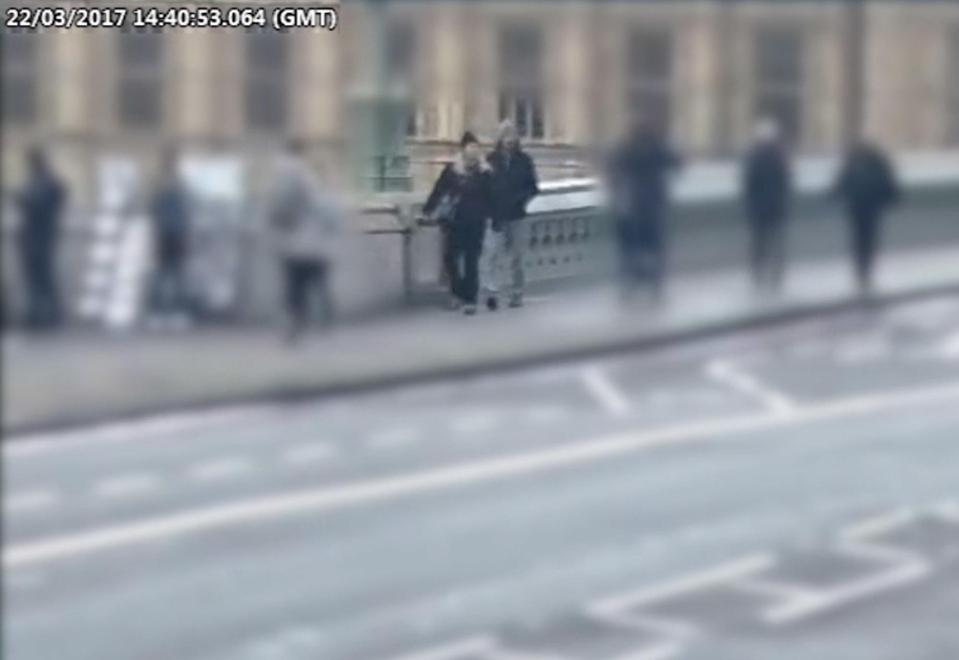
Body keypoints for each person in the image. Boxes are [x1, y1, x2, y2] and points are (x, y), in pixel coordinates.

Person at [267, 139, 342, 343]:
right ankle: (322, 321)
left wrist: (277, 220)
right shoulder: (309, 178)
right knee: (315, 283)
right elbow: (330, 216)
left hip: (297, 243)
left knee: (296, 287)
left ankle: (297, 326)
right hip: (313, 243)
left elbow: (281, 209)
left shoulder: (288, 175)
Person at [606, 116, 681, 303]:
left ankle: (630, 284)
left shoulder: (625, 148)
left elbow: (614, 171)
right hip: (652, 205)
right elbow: (677, 164)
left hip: (631, 206)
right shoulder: (657, 148)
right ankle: (653, 284)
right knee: (653, 247)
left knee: (630, 249)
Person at [423, 131, 494, 316]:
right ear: (462, 150)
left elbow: (493, 196)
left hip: (476, 221)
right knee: (450, 258)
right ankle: (457, 292)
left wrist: (493, 215)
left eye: (477, 148)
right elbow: (438, 191)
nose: (474, 151)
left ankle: (470, 300)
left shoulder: (484, 172)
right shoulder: (452, 170)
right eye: (471, 148)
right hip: (454, 221)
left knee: (471, 261)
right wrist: (428, 211)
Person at [481, 120, 539, 310]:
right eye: (505, 136)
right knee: (491, 255)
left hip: (517, 216)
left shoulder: (525, 161)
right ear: (499, 139)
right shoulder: (490, 160)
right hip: (495, 215)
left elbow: (533, 187)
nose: (509, 140)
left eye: (512, 136)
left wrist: (520, 200)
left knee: (517, 258)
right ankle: (491, 292)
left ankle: (516, 293)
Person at [832, 139, 901, 296]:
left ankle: (861, 271)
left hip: (857, 208)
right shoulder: (877, 163)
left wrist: (834, 196)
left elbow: (842, 182)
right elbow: (888, 184)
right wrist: (892, 199)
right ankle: (865, 271)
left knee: (859, 240)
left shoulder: (852, 162)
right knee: (868, 240)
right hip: (871, 209)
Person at [15, 147, 67, 330]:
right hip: (33, 237)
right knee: (36, 278)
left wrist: (21, 197)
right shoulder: (38, 181)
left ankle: (47, 315)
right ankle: (38, 314)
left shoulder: (47, 182)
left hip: (40, 237)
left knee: (42, 277)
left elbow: (38, 204)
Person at [742, 118, 793, 295]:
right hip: (776, 206)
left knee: (759, 242)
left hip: (758, 208)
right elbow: (787, 181)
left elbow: (748, 183)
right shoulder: (781, 157)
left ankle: (758, 273)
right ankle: (776, 274)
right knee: (776, 242)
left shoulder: (753, 157)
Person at [147, 149, 192, 329]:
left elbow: (153, 209)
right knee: (168, 275)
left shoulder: (162, 184)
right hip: (168, 234)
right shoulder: (173, 185)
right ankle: (165, 312)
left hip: (168, 234)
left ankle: (165, 312)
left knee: (170, 275)